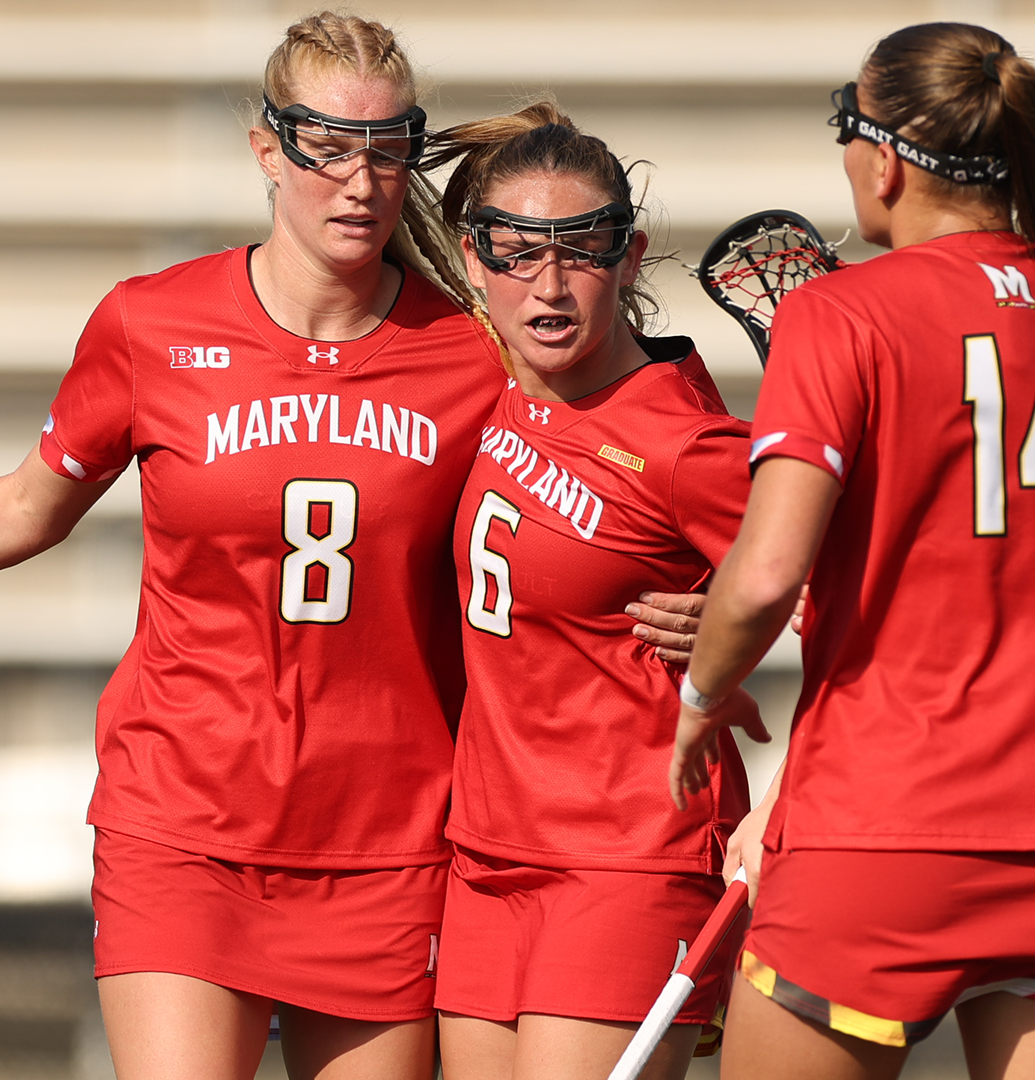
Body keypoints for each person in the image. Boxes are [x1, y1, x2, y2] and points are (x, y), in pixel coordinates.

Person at [0, 13, 702, 1080]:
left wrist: (707, 587)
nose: (359, 183)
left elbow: (630, 431)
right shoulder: (151, 323)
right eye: (325, 145)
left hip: (392, 845)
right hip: (180, 823)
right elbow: (27, 506)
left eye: (385, 148)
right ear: (267, 149)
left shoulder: (474, 347)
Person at [668, 22, 1035, 1080]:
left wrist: (702, 695)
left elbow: (763, 575)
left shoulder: (840, 312)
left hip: (880, 832)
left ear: (886, 158)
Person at [421, 103, 763, 1080]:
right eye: (517, 251)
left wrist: (745, 636)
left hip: (630, 855)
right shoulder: (496, 376)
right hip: (484, 855)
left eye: (581, 249)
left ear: (630, 254)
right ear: (475, 257)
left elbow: (863, 597)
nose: (550, 283)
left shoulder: (684, 443)